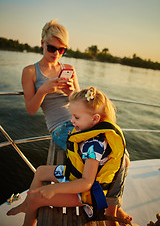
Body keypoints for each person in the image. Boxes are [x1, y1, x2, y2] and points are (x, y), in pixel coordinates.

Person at [7, 87, 132, 226]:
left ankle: (30, 212)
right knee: (41, 170)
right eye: (72, 116)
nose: (72, 121)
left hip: (86, 193)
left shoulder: (94, 146)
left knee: (36, 199)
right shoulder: (88, 131)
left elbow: (86, 183)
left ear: (95, 119)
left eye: (76, 117)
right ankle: (27, 205)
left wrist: (53, 189)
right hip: (75, 175)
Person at [21, 19, 80, 149]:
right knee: (93, 152)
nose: (56, 54)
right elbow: (31, 109)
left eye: (61, 50)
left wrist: (72, 93)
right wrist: (43, 90)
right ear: (43, 43)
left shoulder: (69, 69)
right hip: (60, 127)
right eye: (52, 48)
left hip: (81, 121)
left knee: (112, 139)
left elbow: (82, 104)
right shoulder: (30, 71)